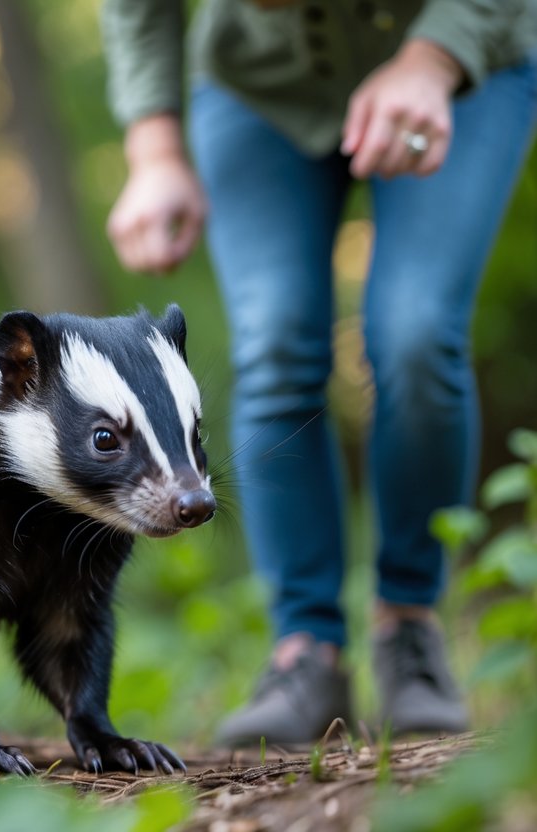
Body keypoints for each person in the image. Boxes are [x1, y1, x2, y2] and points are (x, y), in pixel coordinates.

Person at [101, 0, 537, 746]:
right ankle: (304, 649)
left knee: (415, 331)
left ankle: (409, 630)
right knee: (272, 343)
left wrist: (433, 58)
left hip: (471, 53)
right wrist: (153, 149)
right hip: (255, 86)